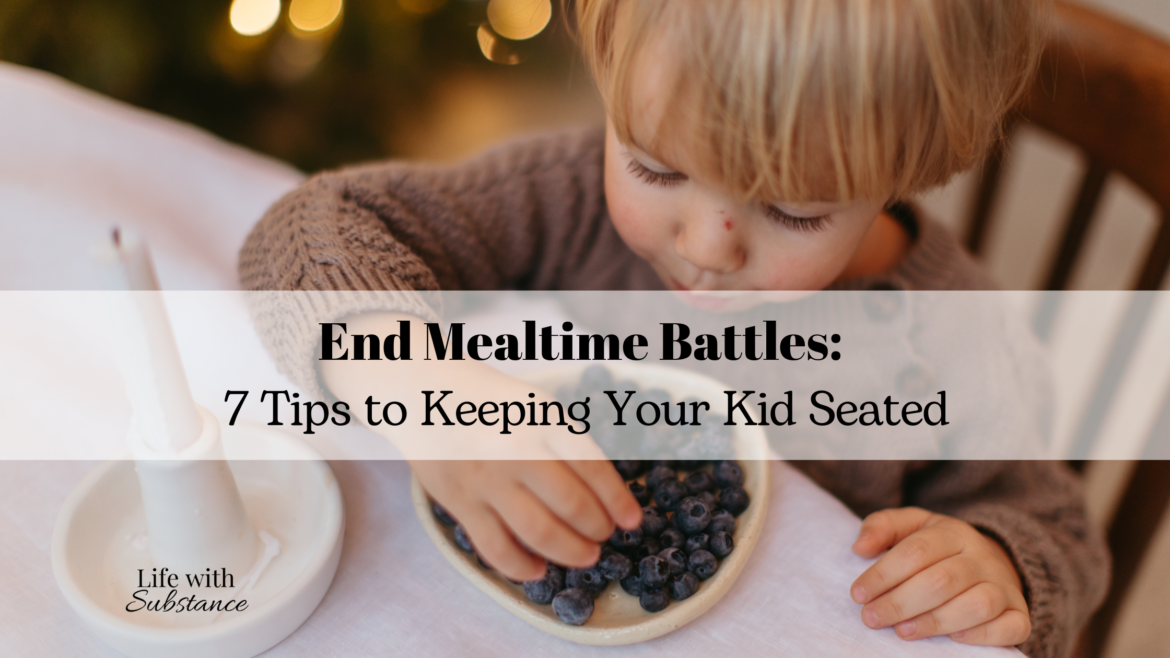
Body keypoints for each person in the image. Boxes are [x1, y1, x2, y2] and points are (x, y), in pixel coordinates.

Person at [238, 1, 1107, 656]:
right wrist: (416, 385)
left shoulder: (952, 346)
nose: (703, 249)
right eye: (655, 167)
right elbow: (311, 227)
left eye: (793, 214)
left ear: (908, 169)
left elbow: (1059, 529)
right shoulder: (568, 197)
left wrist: (999, 560)